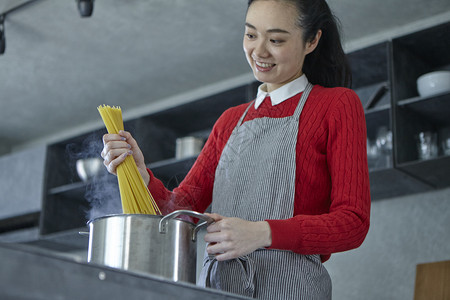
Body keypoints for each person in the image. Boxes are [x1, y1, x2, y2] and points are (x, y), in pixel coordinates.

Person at [101, 0, 371, 299]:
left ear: (312, 40)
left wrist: (262, 233)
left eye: (276, 39)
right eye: (251, 35)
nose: (259, 51)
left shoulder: (336, 106)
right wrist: (141, 176)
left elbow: (353, 223)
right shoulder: (229, 121)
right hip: (219, 289)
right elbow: (182, 213)